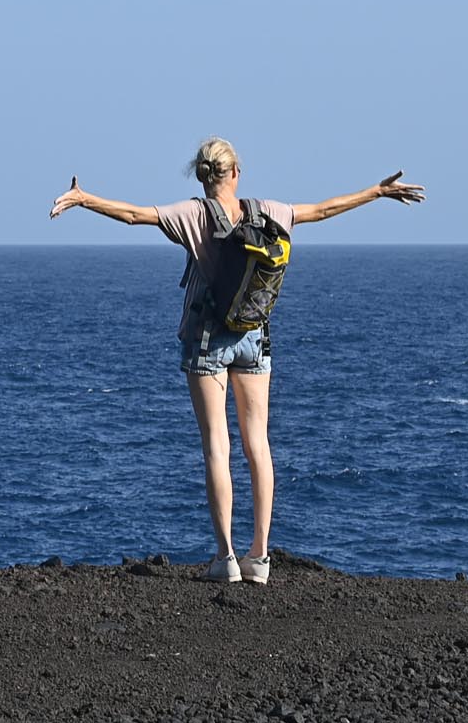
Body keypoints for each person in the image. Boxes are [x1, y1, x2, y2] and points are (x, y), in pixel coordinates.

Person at [48, 139, 426, 583]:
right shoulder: (266, 210)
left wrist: (83, 198)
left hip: (207, 339)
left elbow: (134, 215)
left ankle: (226, 557)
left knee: (217, 448)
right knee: (258, 446)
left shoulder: (194, 215)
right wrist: (375, 192)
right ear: (236, 174)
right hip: (254, 335)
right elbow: (321, 211)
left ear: (201, 175)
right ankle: (260, 557)